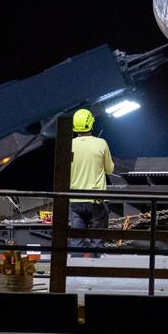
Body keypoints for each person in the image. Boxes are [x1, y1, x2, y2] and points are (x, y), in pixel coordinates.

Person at [69, 108, 113, 254]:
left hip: (75, 201)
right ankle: (97, 273)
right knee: (97, 243)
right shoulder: (101, 143)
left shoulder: (69, 145)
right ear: (91, 125)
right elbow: (110, 170)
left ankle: (73, 275)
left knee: (76, 243)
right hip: (97, 201)